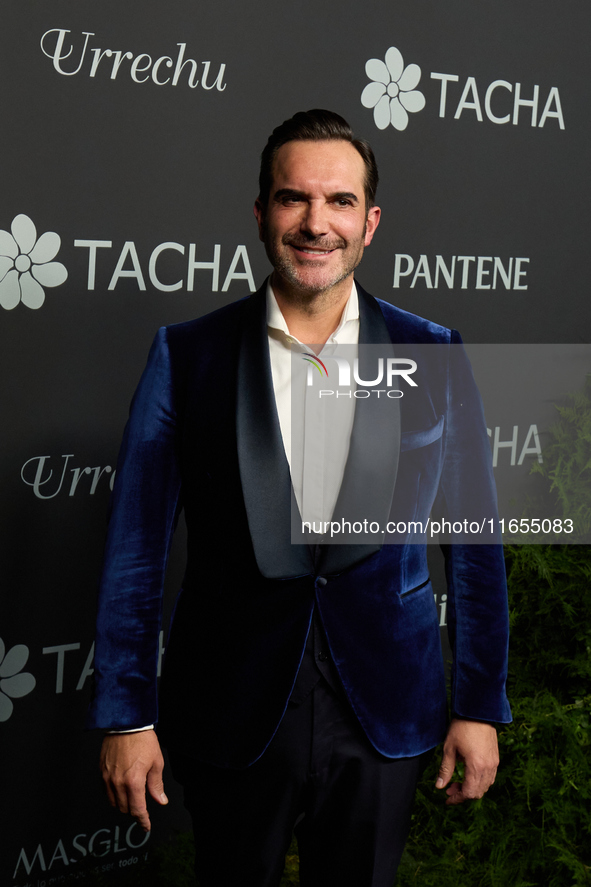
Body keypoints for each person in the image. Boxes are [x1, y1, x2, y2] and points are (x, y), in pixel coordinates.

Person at [88, 109, 511, 886]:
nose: (316, 223)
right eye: (293, 199)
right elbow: (134, 551)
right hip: (230, 705)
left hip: (386, 706)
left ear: (370, 221)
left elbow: (475, 548)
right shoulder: (186, 355)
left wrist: (480, 704)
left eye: (339, 201)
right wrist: (126, 713)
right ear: (260, 214)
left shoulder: (432, 351)